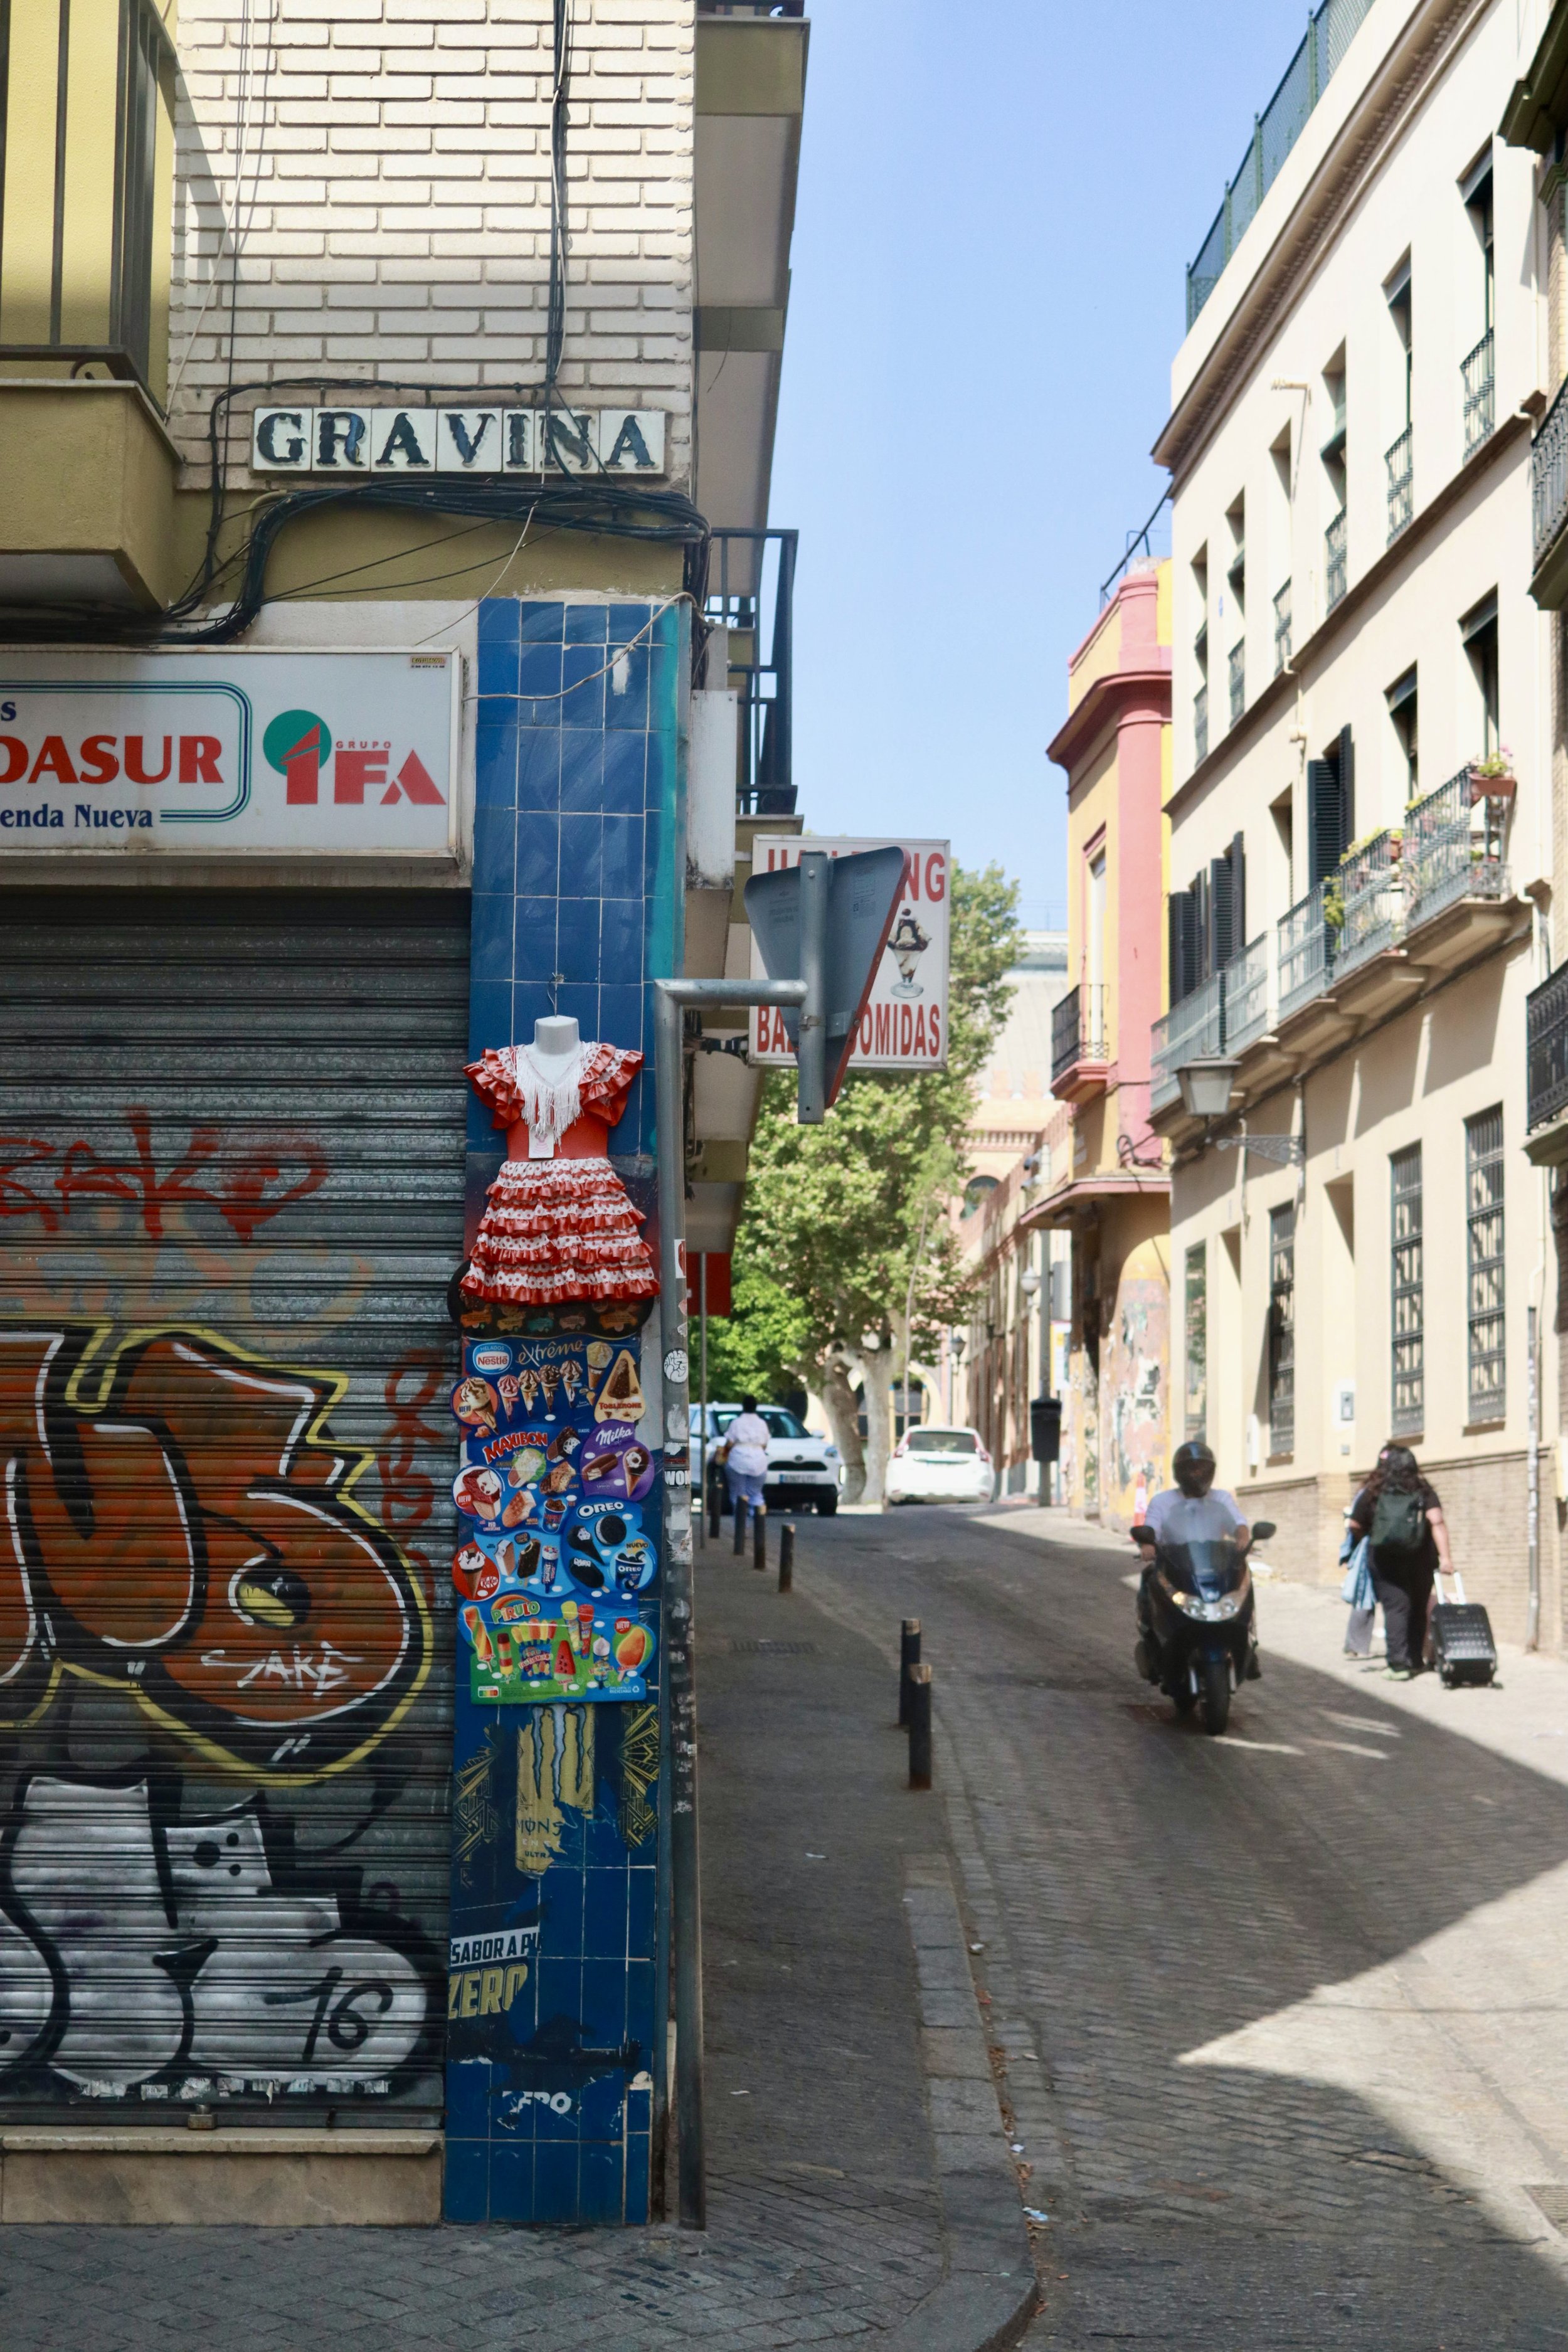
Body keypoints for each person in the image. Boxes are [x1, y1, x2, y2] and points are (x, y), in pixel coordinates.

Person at [1135, 1441, 1257, 1677]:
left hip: (1215, 1566)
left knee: (1245, 1580)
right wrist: (1148, 1545)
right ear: (1179, 1472)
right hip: (1177, 1566)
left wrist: (1243, 1538)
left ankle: (1248, 1642)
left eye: (1202, 1468)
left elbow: (1238, 1524)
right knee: (1149, 1579)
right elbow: (1151, 1528)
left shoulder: (1221, 1498)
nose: (1197, 1473)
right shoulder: (1163, 1501)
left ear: (1211, 1470)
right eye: (1191, 1468)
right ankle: (1152, 1642)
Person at [1346, 1442, 1453, 1680]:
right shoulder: (1424, 1491)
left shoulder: (1374, 1491)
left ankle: (1398, 1665)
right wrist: (1446, 1557)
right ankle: (1415, 1660)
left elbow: (1354, 1524)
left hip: (1385, 1560)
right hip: (1421, 1560)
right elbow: (1437, 1522)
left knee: (1396, 1609)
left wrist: (1370, 1537)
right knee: (1417, 1609)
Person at [720, 1396, 773, 1524]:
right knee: (756, 1494)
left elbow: (730, 1444)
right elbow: (765, 1445)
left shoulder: (737, 1423)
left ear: (743, 1407)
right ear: (756, 1407)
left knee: (738, 1494)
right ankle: (759, 1525)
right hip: (759, 1461)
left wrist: (724, 1456)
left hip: (738, 1461)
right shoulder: (762, 1424)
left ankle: (742, 1527)